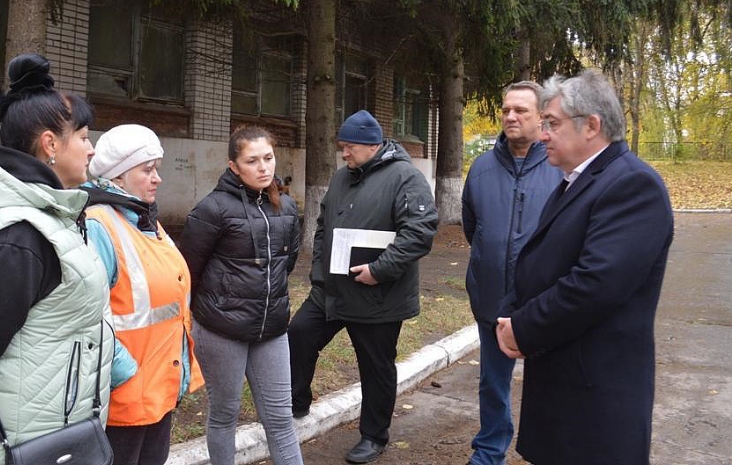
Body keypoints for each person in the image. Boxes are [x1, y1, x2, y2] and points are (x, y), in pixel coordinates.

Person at [0, 53, 112, 465]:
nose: (91, 148)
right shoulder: (18, 236)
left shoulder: (51, 217)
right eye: (83, 136)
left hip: (54, 431)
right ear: (50, 144)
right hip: (16, 442)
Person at [496, 70, 674, 465]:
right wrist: (509, 313)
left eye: (552, 124)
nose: (543, 135)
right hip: (566, 384)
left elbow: (594, 285)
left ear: (591, 125)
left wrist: (524, 327)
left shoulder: (632, 186)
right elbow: (545, 259)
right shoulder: (579, 180)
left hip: (595, 399)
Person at [288, 110, 438, 464]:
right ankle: (297, 403)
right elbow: (324, 225)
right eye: (342, 147)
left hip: (379, 296)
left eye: (348, 147)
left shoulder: (406, 178)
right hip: (332, 291)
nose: (344, 154)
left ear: (371, 145)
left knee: (376, 366)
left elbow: (419, 233)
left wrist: (379, 270)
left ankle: (374, 435)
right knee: (299, 334)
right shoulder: (343, 178)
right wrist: (320, 273)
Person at [179, 126, 303, 465]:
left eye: (268, 158)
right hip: (222, 329)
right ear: (234, 166)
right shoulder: (212, 209)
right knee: (225, 414)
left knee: (280, 419)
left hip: (272, 329)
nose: (263, 167)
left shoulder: (287, 209)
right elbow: (188, 270)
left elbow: (284, 264)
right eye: (252, 161)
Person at [82, 124, 204, 465]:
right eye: (147, 170)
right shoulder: (98, 224)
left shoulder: (141, 218)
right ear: (118, 176)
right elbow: (84, 315)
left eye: (157, 169)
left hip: (157, 386)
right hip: (126, 396)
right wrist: (127, 374)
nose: (157, 179)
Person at [462, 82, 563, 465]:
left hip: (545, 302)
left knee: (551, 384)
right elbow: (473, 227)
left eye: (521, 110)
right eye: (506, 109)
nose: (510, 116)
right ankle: (489, 451)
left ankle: (551, 451)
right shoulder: (483, 167)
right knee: (493, 383)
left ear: (541, 116)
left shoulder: (559, 166)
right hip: (491, 297)